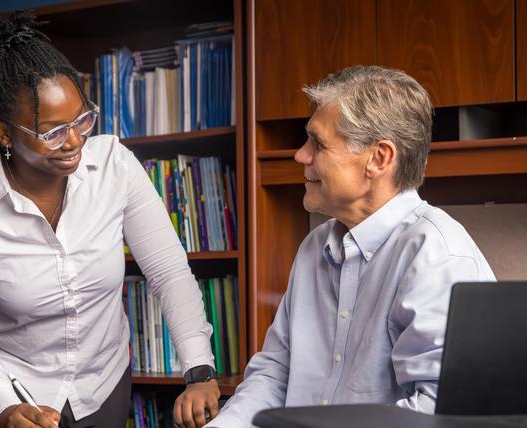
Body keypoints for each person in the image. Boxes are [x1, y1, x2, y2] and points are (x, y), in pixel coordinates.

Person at [0, 3, 220, 428]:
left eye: (82, 120)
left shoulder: (114, 166)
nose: (74, 142)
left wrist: (199, 370)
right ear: (4, 132)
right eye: (51, 131)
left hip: (101, 384)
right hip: (8, 390)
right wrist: (4, 408)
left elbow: (169, 273)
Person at [203, 66, 496, 428]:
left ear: (378, 158)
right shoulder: (314, 247)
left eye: (318, 144)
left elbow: (445, 412)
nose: (300, 156)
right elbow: (276, 374)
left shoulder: (436, 255)